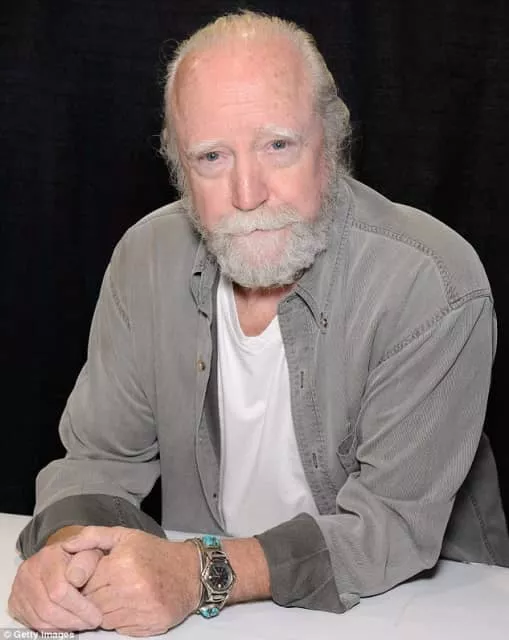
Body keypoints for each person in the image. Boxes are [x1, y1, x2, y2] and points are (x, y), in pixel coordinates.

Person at [8, 9, 509, 636]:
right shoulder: (145, 259)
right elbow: (97, 459)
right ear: (179, 170)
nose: (247, 194)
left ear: (332, 142)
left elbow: (390, 528)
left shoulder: (432, 283)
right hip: (223, 617)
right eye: (212, 156)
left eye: (278, 145)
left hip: (424, 608)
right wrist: (68, 555)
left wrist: (200, 571)